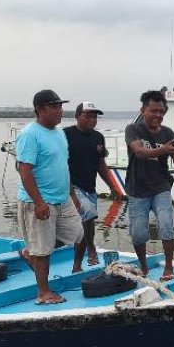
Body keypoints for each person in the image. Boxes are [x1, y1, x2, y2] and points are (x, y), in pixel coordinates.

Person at [15, 89, 84, 304]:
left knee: (77, 234)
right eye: (55, 107)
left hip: (62, 199)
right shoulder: (29, 134)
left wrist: (71, 192)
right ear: (41, 110)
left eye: (60, 106)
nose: (60, 111)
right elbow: (24, 170)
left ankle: (29, 254)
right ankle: (43, 292)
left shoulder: (59, 133)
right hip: (39, 201)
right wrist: (38, 202)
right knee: (43, 250)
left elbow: (63, 165)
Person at [124, 90, 174, 281]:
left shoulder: (168, 133)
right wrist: (162, 149)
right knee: (138, 233)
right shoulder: (133, 129)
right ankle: (144, 266)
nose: (158, 116)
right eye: (153, 111)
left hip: (161, 186)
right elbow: (139, 151)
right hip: (137, 189)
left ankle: (169, 267)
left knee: (166, 225)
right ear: (143, 110)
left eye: (161, 112)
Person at [64, 101, 122, 273]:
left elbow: (101, 165)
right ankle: (84, 256)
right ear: (77, 117)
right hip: (72, 186)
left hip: (90, 188)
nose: (92, 119)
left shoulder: (98, 138)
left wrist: (113, 187)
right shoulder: (66, 135)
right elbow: (62, 165)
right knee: (87, 217)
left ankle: (88, 249)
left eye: (95, 116)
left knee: (89, 222)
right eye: (87, 116)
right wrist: (71, 193)